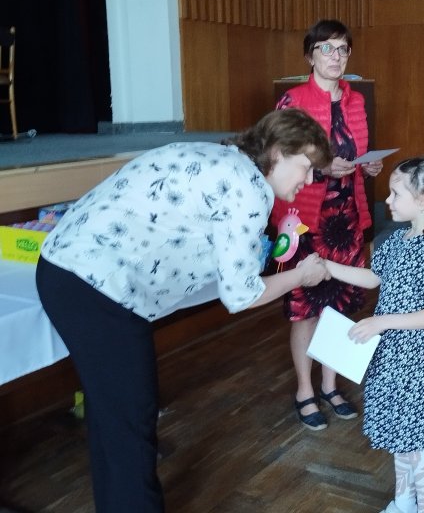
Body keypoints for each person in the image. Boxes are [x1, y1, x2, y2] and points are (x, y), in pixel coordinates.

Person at [35, 108, 333, 513]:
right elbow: (241, 296)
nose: (310, 180)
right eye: (307, 167)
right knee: (131, 422)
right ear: (279, 152)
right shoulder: (249, 188)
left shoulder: (223, 158)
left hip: (65, 267)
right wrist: (301, 275)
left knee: (115, 418)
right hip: (96, 286)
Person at [324, 156, 424, 513]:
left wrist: (382, 322)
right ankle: (403, 503)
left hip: (417, 362)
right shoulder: (397, 240)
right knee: (401, 438)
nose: (387, 200)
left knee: (417, 448)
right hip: (392, 359)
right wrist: (328, 267)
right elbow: (373, 278)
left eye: (396, 193)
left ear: (423, 201)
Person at [271, 19, 383, 430]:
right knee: (305, 308)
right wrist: (322, 170)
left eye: (342, 49)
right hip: (305, 219)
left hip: (345, 218)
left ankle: (331, 385)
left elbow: (356, 154)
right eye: (326, 48)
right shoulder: (293, 100)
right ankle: (305, 390)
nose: (336, 56)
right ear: (310, 56)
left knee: (339, 306)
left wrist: (368, 167)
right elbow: (278, 163)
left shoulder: (356, 100)